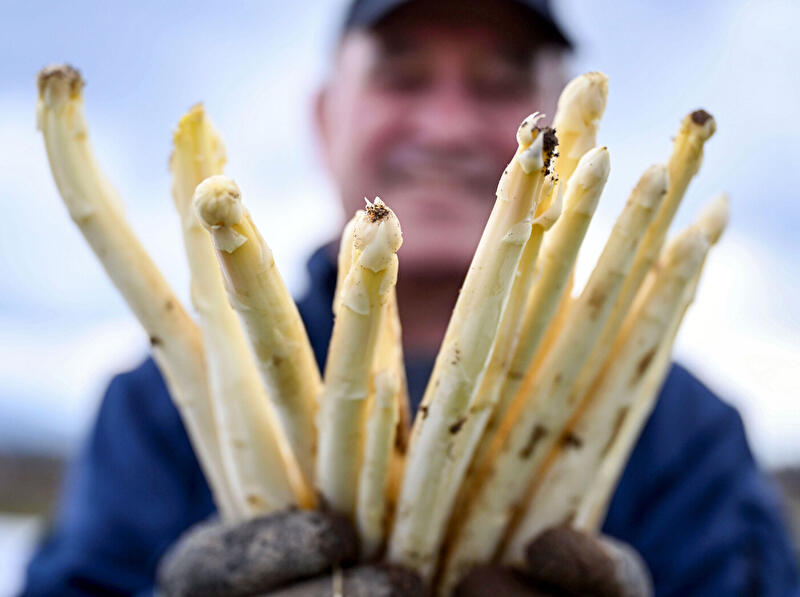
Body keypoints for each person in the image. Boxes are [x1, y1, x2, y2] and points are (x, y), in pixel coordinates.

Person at [23, 0, 799, 595]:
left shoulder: (679, 429)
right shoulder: (156, 412)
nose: (449, 125)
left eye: (500, 86)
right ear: (325, 118)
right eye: (403, 77)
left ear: (571, 133)